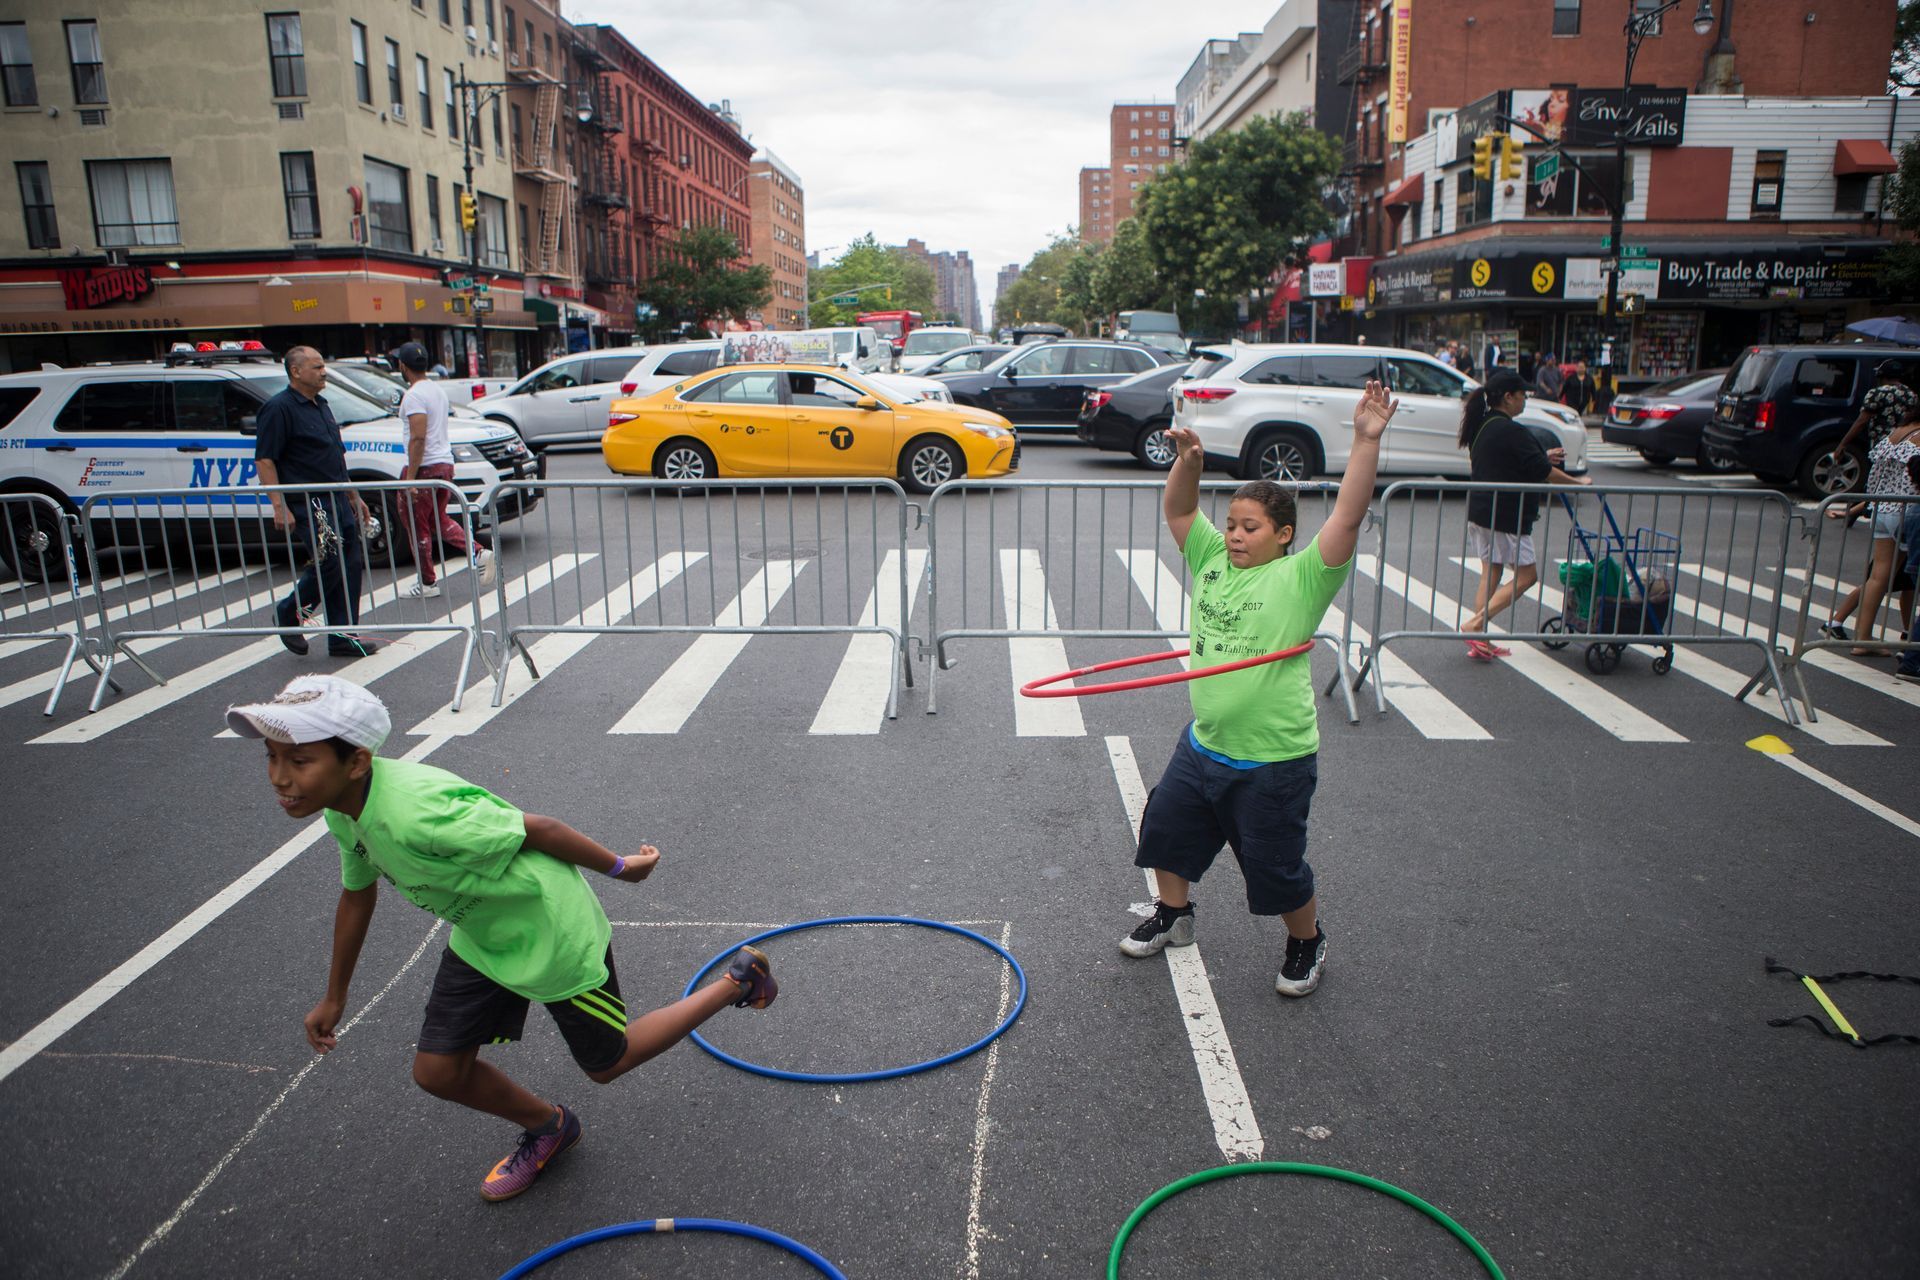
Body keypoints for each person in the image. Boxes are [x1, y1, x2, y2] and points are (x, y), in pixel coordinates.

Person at [229, 674, 779, 1202]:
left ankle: (737, 981)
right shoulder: (344, 812)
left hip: (551, 931)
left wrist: (622, 868)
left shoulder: (419, 815)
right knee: (438, 1071)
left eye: (299, 761)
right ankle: (550, 1127)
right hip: (484, 934)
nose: (279, 777)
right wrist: (334, 996)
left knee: (607, 1063)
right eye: (272, 758)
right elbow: (356, 895)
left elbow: (538, 829)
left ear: (357, 763)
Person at [1117, 381, 1399, 998]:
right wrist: (1189, 464)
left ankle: (1306, 941)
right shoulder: (1213, 560)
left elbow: (1348, 514)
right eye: (1233, 524)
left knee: (1275, 868)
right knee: (1165, 829)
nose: (1237, 535)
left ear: (1285, 534)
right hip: (1206, 744)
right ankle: (1175, 913)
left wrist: (1364, 441)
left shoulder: (1302, 579)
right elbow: (1181, 512)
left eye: (1252, 526)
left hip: (1273, 757)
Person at [255, 346, 384, 659]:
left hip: (337, 496)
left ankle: (343, 636)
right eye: (316, 367)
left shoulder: (322, 405)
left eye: (323, 366)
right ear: (296, 372)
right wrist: (278, 504)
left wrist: (353, 495)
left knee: (350, 563)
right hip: (308, 501)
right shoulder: (279, 408)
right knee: (329, 561)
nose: (324, 372)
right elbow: (265, 460)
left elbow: (335, 458)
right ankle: (289, 613)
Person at [1457, 369, 1592, 659]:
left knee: (1491, 571)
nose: (1525, 401)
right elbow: (1542, 471)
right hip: (1506, 513)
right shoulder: (1510, 429)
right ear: (1508, 397)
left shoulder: (1483, 424)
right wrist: (1578, 483)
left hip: (1481, 509)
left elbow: (1510, 460)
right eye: (1523, 396)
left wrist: (1542, 456)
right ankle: (1475, 625)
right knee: (1527, 576)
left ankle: (1480, 637)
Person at [394, 341, 496, 599]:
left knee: (417, 525)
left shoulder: (414, 395)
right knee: (437, 520)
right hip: (443, 463)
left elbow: (418, 438)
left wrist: (411, 477)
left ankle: (427, 583)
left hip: (426, 466)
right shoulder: (436, 391)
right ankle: (477, 552)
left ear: (402, 366)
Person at [1820, 401, 1920, 657]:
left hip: (1883, 510)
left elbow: (1874, 482)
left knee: (1879, 577)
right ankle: (1908, 640)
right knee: (1910, 580)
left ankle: (1863, 638)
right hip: (1908, 510)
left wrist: (1854, 509)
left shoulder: (1895, 433)